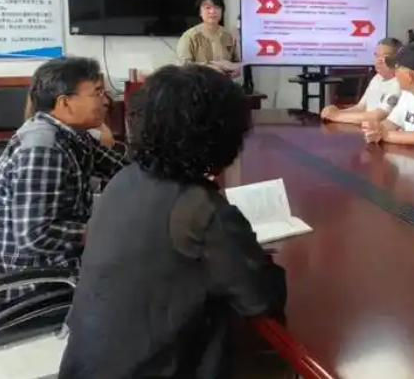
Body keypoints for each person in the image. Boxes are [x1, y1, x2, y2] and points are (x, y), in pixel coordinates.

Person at [58, 65, 287, 379]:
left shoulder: (125, 179)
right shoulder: (201, 208)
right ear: (222, 133)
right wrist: (260, 261)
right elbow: (259, 300)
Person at [0, 57, 127, 308]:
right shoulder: (44, 148)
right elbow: (35, 235)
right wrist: (103, 231)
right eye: (97, 93)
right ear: (65, 103)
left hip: (56, 265)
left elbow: (119, 167)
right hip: (36, 285)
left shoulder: (71, 134)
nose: (106, 101)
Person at [320, 38, 403, 124]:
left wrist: (336, 116)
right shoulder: (377, 78)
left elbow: (377, 117)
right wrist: (335, 113)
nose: (379, 61)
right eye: (377, 56)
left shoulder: (399, 83)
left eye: (385, 57)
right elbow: (361, 108)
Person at [176, 0, 240, 77]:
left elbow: (236, 62)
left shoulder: (229, 35)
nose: (212, 11)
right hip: (198, 83)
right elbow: (182, 66)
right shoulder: (189, 36)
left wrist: (235, 70)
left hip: (224, 83)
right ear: (200, 12)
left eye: (217, 7)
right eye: (207, 8)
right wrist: (208, 68)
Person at [24, 91, 116, 148]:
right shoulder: (44, 139)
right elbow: (107, 141)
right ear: (64, 102)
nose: (100, 109)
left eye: (105, 106)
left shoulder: (82, 134)